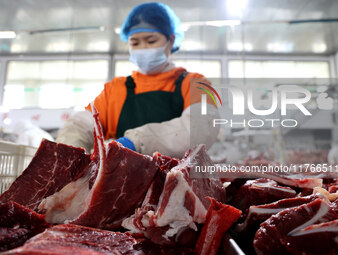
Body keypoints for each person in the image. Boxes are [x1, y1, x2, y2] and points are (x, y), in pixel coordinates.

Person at [56, 2, 219, 158]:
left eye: (151, 41)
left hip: (179, 183)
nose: (143, 48)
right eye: (135, 42)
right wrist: (68, 150)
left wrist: (136, 142)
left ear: (171, 40)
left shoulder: (196, 84)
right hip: (123, 183)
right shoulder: (115, 89)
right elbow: (83, 123)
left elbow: (201, 127)